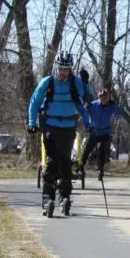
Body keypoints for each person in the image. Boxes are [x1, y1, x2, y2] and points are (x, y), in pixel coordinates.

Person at [27, 51, 94, 214]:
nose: (63, 72)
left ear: (71, 68)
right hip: (50, 125)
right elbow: (34, 102)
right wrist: (31, 123)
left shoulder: (75, 82)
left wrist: (88, 122)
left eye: (67, 68)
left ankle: (64, 196)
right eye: (61, 68)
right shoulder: (47, 82)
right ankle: (47, 199)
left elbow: (83, 103)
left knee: (65, 162)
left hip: (69, 127)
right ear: (56, 67)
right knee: (51, 162)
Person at [80, 88, 121, 180]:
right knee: (87, 149)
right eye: (102, 97)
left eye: (105, 97)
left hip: (105, 132)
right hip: (94, 132)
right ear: (99, 97)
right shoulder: (93, 105)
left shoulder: (110, 106)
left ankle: (100, 171)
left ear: (108, 98)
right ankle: (81, 168)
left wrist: (114, 105)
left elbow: (118, 112)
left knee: (102, 151)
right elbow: (83, 111)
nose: (103, 99)